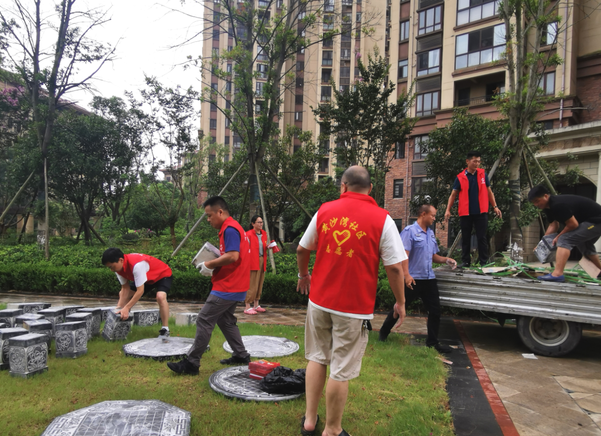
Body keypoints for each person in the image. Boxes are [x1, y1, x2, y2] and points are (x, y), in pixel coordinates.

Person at [296, 166, 407, 436]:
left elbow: (301, 248)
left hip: (319, 301)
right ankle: (332, 429)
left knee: (317, 358)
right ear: (371, 189)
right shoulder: (383, 219)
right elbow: (394, 268)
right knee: (341, 366)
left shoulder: (324, 210)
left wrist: (303, 275)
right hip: (353, 307)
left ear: (343, 186)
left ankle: (309, 421)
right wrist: (400, 302)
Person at [167, 196, 251, 375]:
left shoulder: (229, 229)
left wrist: (209, 264)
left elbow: (233, 256)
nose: (208, 219)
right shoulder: (233, 227)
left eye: (209, 215)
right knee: (225, 320)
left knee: (204, 319)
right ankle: (241, 355)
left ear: (220, 212)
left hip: (228, 286)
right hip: (237, 284)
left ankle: (191, 363)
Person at [379, 205, 457, 353]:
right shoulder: (410, 231)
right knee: (399, 306)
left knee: (435, 311)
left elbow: (433, 256)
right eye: (432, 215)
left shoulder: (431, 234)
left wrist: (446, 260)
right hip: (413, 279)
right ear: (423, 214)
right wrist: (406, 275)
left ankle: (432, 343)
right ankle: (383, 333)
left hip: (429, 278)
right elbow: (404, 256)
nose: (434, 218)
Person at [529, 185, 601, 282]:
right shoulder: (548, 208)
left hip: (596, 222)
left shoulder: (557, 205)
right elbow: (553, 225)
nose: (536, 204)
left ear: (545, 196)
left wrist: (559, 236)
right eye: (533, 202)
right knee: (584, 245)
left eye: (537, 201)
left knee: (564, 239)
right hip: (588, 222)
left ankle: (557, 274)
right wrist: (542, 244)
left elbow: (573, 225)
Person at [444, 151, 502, 267]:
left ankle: (484, 262)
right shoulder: (460, 177)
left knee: (482, 237)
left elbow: (489, 191)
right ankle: (466, 261)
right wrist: (447, 210)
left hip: (481, 211)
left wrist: (495, 206)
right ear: (468, 161)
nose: (477, 164)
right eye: (474, 161)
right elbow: (453, 194)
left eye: (479, 161)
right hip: (465, 212)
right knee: (466, 237)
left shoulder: (483, 175)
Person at [102, 248, 172, 339]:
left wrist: (127, 307)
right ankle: (122, 327)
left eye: (112, 266)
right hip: (146, 278)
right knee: (123, 295)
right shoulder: (118, 269)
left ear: (121, 260)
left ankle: (165, 329)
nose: (111, 270)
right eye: (109, 267)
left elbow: (140, 291)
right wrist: (119, 308)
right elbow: (125, 289)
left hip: (162, 275)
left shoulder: (137, 266)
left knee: (160, 296)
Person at [244, 215, 268, 315]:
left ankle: (256, 304)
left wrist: (269, 246)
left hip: (262, 259)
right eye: (258, 222)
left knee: (259, 282)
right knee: (252, 283)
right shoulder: (248, 234)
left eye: (261, 222)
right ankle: (247, 306)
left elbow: (263, 246)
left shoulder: (264, 234)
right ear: (253, 224)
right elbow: (245, 248)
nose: (261, 224)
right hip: (252, 260)